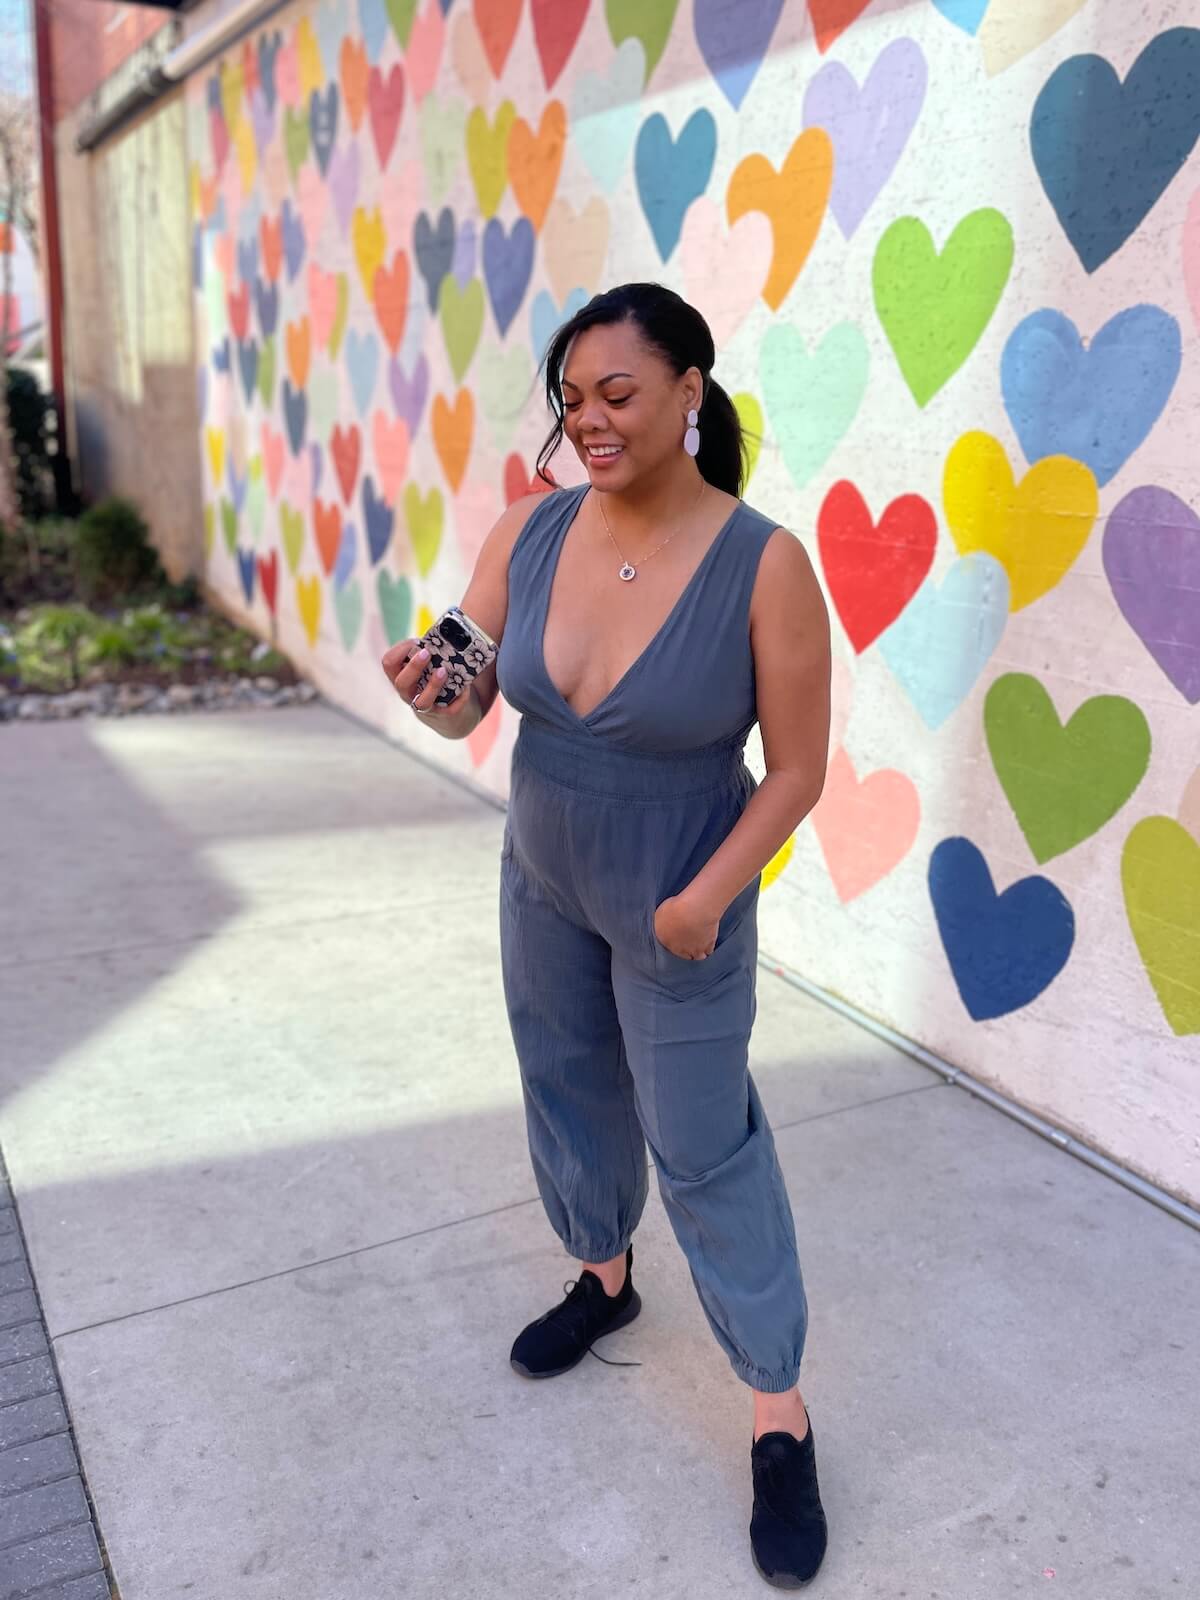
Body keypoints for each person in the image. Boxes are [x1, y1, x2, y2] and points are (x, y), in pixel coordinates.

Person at [381, 282, 832, 1588]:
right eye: (573, 400)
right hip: (544, 876)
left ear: (690, 390)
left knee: (704, 1144)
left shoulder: (764, 562)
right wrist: (432, 698)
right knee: (567, 1083)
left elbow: (797, 768)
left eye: (618, 394)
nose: (589, 421)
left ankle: (779, 1410)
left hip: (683, 902)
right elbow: (468, 703)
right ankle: (604, 1278)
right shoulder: (527, 534)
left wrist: (708, 897)